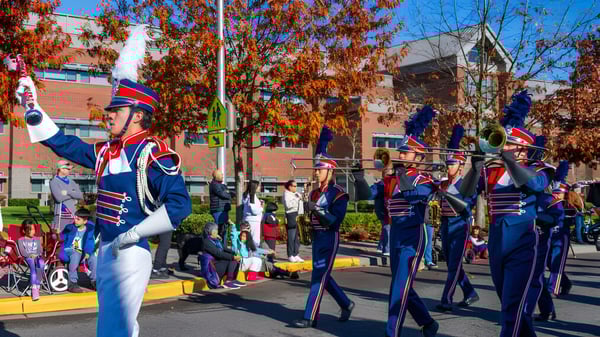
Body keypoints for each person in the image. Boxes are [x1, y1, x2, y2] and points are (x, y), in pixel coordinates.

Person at [15, 25, 192, 337]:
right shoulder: (106, 152)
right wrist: (33, 106)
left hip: (132, 251)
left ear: (137, 115)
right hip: (106, 249)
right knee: (112, 328)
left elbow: (180, 205)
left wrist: (136, 232)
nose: (108, 115)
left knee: (116, 328)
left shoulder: (154, 154)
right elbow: (65, 145)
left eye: (116, 110)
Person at [458, 91, 553, 337]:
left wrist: (509, 160)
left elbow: (534, 185)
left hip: (523, 243)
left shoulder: (539, 168)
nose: (504, 147)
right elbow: (465, 194)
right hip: (497, 244)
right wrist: (475, 166)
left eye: (509, 144)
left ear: (523, 147)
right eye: (504, 143)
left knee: (510, 309)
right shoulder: (492, 172)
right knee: (511, 307)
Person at [354, 106, 441, 337]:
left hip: (414, 236)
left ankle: (391, 332)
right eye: (400, 152)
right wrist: (358, 177)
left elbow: (413, 196)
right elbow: (365, 195)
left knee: (398, 287)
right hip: (396, 236)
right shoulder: (390, 179)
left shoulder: (426, 179)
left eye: (405, 153)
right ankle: (427, 322)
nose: (400, 155)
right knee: (401, 285)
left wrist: (399, 172)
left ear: (419, 157)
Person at [292, 126, 355, 329]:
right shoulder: (314, 193)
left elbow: (335, 221)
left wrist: (316, 210)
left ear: (330, 170)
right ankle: (346, 304)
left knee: (318, 276)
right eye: (316, 168)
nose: (316, 171)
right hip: (318, 237)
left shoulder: (339, 193)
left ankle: (310, 316)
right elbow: (314, 217)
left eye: (320, 169)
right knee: (323, 275)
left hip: (330, 237)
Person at [436, 125, 479, 312]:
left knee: (454, 263)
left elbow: (470, 203)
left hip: (460, 224)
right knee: (451, 262)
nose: (449, 167)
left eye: (452, 164)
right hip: (445, 223)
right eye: (447, 164)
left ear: (461, 166)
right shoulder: (443, 183)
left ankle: (447, 298)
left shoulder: (466, 183)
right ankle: (469, 292)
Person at [530, 160, 567, 322]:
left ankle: (528, 312)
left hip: (542, 240)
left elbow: (557, 218)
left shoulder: (551, 199)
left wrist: (536, 217)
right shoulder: (530, 195)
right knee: (531, 277)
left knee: (535, 277)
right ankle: (546, 309)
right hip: (526, 240)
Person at [547, 163, 573, 297]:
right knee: (549, 261)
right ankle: (566, 282)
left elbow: (563, 204)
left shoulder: (564, 186)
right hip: (548, 227)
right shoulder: (547, 184)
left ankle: (552, 288)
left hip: (561, 227)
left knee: (557, 261)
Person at [59, 208, 97, 293]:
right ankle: (72, 282)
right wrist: (57, 236)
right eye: (75, 218)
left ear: (85, 221)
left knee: (93, 258)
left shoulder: (89, 230)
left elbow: (90, 242)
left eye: (78, 219)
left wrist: (87, 252)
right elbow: (61, 236)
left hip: (82, 251)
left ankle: (95, 281)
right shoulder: (70, 228)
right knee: (76, 254)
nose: (75, 220)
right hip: (69, 250)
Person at [202, 222, 245, 289]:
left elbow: (225, 249)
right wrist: (232, 257)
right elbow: (218, 254)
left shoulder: (216, 240)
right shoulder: (207, 242)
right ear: (212, 231)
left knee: (236, 259)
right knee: (232, 259)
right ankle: (228, 281)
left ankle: (232, 279)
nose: (217, 231)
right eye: (216, 230)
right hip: (211, 267)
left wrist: (235, 253)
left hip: (218, 264)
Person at [50, 160, 84, 232]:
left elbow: (80, 195)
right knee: (61, 237)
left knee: (72, 237)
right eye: (67, 169)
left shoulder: (72, 181)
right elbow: (59, 198)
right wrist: (73, 193)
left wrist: (67, 192)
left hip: (73, 215)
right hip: (61, 215)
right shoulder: (54, 182)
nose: (69, 170)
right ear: (61, 169)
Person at [17, 220, 45, 301]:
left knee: (41, 263)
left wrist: (36, 255)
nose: (34, 231)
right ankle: (34, 289)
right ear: (24, 231)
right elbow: (23, 252)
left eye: (34, 229)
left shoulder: (36, 239)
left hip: (37, 256)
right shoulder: (21, 240)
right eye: (31, 229)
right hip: (28, 258)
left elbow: (40, 250)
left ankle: (37, 284)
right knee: (33, 268)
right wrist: (30, 255)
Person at [371, 163, 392, 256]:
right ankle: (387, 249)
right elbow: (371, 194)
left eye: (390, 172)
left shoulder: (393, 183)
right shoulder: (380, 185)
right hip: (383, 211)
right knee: (387, 228)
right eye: (386, 172)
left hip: (391, 210)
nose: (388, 174)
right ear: (383, 174)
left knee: (386, 228)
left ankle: (380, 247)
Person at [283, 180, 304, 262]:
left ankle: (296, 254)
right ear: (290, 187)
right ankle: (290, 255)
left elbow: (300, 204)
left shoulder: (295, 194)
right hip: (290, 214)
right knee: (291, 237)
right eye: (294, 186)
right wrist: (296, 199)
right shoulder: (286, 194)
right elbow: (288, 205)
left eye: (296, 186)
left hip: (297, 214)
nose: (296, 188)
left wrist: (300, 198)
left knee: (296, 237)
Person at [209, 169, 232, 243]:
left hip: (223, 210)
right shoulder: (214, 185)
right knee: (219, 229)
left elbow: (227, 192)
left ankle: (223, 246)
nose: (223, 176)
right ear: (217, 176)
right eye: (221, 175)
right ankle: (217, 246)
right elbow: (222, 194)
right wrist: (229, 194)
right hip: (218, 210)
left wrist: (228, 193)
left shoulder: (222, 185)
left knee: (224, 229)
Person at [242, 180, 264, 247]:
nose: (260, 187)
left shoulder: (246, 195)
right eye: (258, 186)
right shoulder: (252, 196)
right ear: (255, 187)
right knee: (255, 240)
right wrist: (261, 207)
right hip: (253, 221)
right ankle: (254, 255)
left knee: (248, 238)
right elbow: (254, 210)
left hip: (248, 219)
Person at [423, 202, 437, 269]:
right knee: (421, 241)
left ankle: (428, 261)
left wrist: (434, 224)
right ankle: (420, 261)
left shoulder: (434, 198)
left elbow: (435, 208)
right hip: (421, 221)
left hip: (430, 222)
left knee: (429, 242)